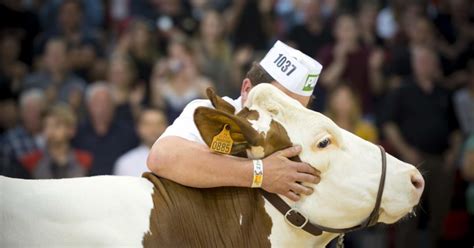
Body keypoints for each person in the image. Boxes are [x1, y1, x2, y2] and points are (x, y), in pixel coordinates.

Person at [148, 40, 322, 202]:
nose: (286, 116)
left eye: (297, 109)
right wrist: (260, 173)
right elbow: (161, 157)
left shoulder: (303, 142)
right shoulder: (211, 110)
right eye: (278, 103)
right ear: (247, 89)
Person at [381, 46, 461, 248]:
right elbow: (389, 124)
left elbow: (456, 129)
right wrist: (406, 151)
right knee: (407, 216)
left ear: (435, 65)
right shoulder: (402, 91)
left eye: (429, 61)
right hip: (411, 162)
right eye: (421, 61)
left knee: (440, 213)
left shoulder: (445, 93)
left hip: (441, 160)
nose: (425, 65)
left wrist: (454, 152)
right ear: (414, 64)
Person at [73, 83, 139, 176]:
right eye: (98, 102)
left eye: (107, 102)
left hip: (120, 184)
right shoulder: (77, 133)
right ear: (89, 105)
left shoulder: (128, 133)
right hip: (86, 185)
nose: (103, 107)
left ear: (114, 105)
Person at [20, 104, 92, 179]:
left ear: (71, 130)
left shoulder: (85, 161)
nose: (50, 131)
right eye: (46, 125)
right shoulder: (30, 163)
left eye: (57, 125)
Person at [0, 89, 46, 178]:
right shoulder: (8, 140)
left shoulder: (53, 135)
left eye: (38, 110)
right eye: (30, 110)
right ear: (21, 113)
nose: (35, 115)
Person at [113, 108, 167, 177]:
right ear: (138, 128)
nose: (154, 129)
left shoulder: (178, 161)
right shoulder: (125, 163)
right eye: (147, 124)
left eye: (159, 123)